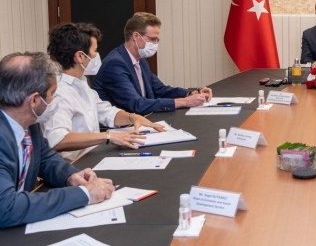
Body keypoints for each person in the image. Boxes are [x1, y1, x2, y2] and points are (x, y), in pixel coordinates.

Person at [0, 52, 115, 228]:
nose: (54, 100)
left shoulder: (29, 123)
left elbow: (45, 158)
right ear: (34, 100)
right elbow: (6, 207)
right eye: (53, 93)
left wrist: (71, 176)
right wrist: (83, 194)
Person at [42, 23, 166, 162]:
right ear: (80, 56)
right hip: (74, 164)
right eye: (94, 51)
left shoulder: (81, 83)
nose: (96, 56)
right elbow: (58, 140)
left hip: (91, 157)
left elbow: (106, 112)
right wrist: (108, 136)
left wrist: (132, 117)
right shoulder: (59, 93)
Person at [92, 12, 212, 115]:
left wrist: (190, 93)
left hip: (143, 121)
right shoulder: (115, 64)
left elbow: (160, 90)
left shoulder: (141, 59)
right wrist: (183, 102)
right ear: (136, 36)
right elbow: (136, 104)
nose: (155, 44)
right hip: (121, 128)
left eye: (157, 40)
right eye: (152, 39)